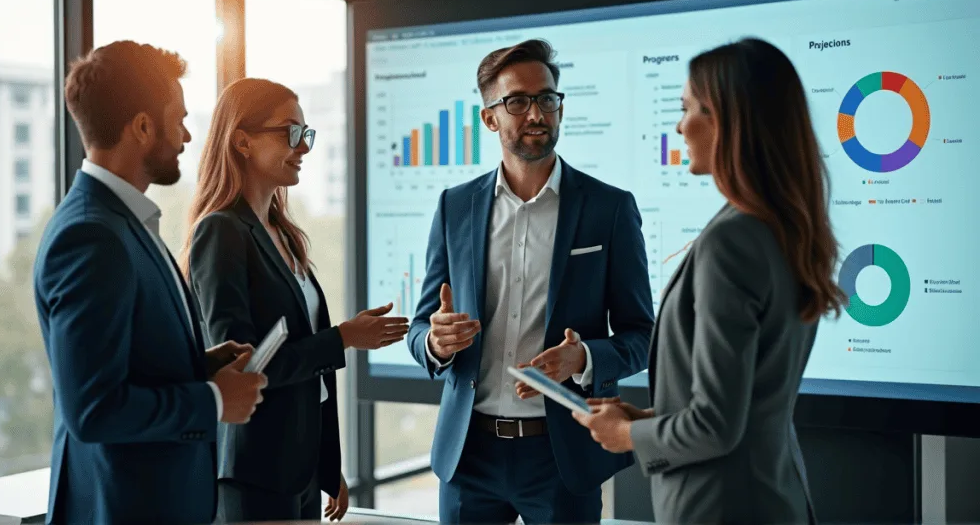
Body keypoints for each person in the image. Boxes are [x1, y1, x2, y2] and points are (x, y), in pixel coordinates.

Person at [574, 38, 845, 525]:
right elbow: (745, 405)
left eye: (687, 110)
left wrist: (627, 437)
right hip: (772, 496)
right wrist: (649, 419)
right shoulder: (780, 228)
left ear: (724, 120)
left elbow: (717, 426)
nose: (679, 126)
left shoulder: (733, 241)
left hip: (723, 507)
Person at [406, 39, 656, 524]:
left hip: (560, 457)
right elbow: (420, 329)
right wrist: (435, 343)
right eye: (517, 102)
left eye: (547, 99)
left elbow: (642, 336)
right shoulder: (455, 207)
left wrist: (583, 357)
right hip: (468, 455)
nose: (536, 113)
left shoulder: (609, 209)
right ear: (490, 118)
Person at [33, 41, 267, 525]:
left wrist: (198, 365)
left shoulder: (126, 222)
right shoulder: (90, 235)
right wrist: (215, 400)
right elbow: (94, 409)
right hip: (125, 509)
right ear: (142, 126)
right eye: (177, 118)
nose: (185, 135)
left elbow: (123, 363)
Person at [183, 77, 410, 523]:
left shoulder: (284, 234)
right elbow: (242, 364)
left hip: (299, 470)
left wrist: (328, 466)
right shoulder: (221, 232)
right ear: (243, 141)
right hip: (255, 472)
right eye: (290, 133)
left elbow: (311, 376)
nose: (303, 147)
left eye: (306, 134)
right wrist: (342, 337)